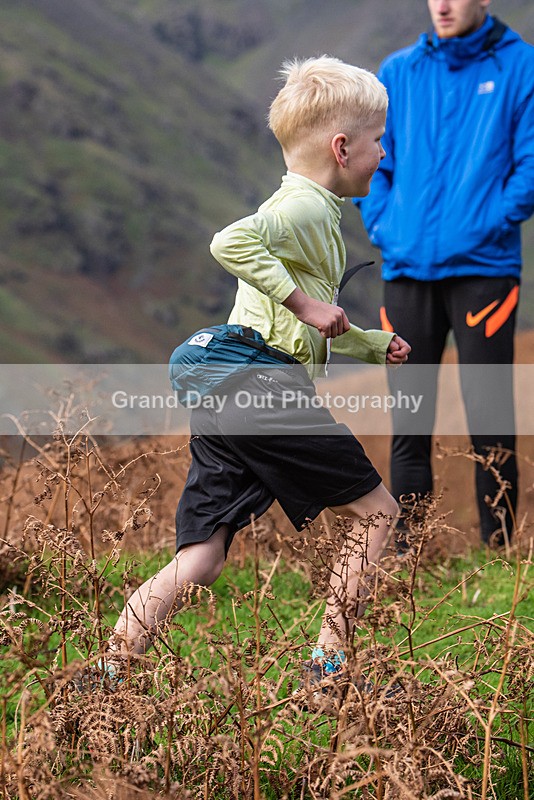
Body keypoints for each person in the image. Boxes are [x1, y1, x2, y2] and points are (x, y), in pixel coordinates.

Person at [109, 56, 410, 687]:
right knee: (378, 513)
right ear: (342, 146)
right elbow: (229, 243)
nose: (385, 151)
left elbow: (309, 328)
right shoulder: (301, 208)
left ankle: (108, 672)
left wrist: (373, 345)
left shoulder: (317, 211)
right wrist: (306, 303)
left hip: (229, 382)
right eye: (379, 139)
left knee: (203, 556)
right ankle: (327, 675)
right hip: (259, 382)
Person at [355, 0, 534, 547]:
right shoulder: (399, 71)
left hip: (484, 269)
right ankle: (409, 561)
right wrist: (383, 223)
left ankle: (500, 556)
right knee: (409, 421)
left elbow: (530, 163)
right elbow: (374, 157)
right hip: (407, 269)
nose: (444, 5)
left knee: (490, 415)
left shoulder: (521, 66)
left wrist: (490, 221)